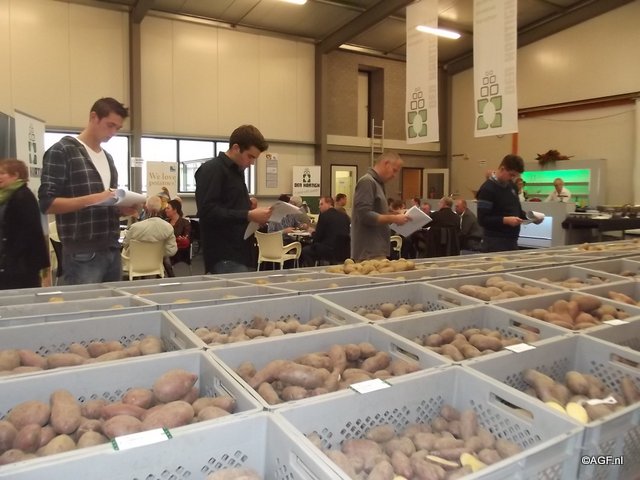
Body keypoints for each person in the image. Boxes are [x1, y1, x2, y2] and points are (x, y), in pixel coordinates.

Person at [38, 97, 140, 284]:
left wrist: (120, 209)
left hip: (111, 248)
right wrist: (95, 198)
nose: (113, 133)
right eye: (110, 125)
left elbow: (104, 202)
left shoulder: (108, 158)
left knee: (115, 302)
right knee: (85, 302)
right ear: (94, 117)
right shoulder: (62, 151)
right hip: (82, 253)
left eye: (117, 128)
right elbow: (47, 203)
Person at [195, 124, 272, 274]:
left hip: (240, 250)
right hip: (224, 254)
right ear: (236, 148)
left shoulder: (237, 171)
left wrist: (248, 206)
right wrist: (248, 215)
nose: (252, 163)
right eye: (250, 156)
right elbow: (207, 211)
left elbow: (228, 205)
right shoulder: (212, 170)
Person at [0, 159, 50, 289]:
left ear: (16, 175)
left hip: (20, 266)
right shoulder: (6, 196)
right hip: (10, 263)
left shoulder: (22, 196)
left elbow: (30, 233)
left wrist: (10, 258)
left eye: (2, 173)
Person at [351, 152, 410, 261]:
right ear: (386, 164)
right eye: (394, 170)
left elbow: (378, 214)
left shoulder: (377, 184)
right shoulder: (367, 182)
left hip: (376, 249)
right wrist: (394, 218)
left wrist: (395, 214)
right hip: (369, 252)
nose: (394, 175)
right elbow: (364, 215)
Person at [476, 154, 539, 252]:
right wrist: (505, 220)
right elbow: (482, 219)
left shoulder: (512, 187)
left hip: (512, 241)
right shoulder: (487, 189)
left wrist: (531, 217)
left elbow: (517, 211)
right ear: (502, 169)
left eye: (515, 176)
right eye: (511, 175)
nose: (512, 178)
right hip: (494, 242)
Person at [122, 196, 177, 273]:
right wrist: (158, 253)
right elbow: (171, 251)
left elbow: (125, 244)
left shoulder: (135, 228)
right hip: (157, 265)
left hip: (136, 265)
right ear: (161, 207)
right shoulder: (168, 227)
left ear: (147, 208)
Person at [299, 196, 351, 267]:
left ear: (329, 203)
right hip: (344, 250)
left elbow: (317, 237)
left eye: (321, 204)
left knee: (306, 250)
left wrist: (311, 232)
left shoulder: (324, 216)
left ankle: (312, 270)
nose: (319, 207)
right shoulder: (344, 216)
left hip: (328, 250)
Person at [163, 199, 192, 277]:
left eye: (168, 208)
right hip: (166, 248)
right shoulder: (165, 222)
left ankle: (169, 276)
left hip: (179, 250)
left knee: (164, 256)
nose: (165, 210)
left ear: (175, 210)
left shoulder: (185, 223)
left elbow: (186, 240)